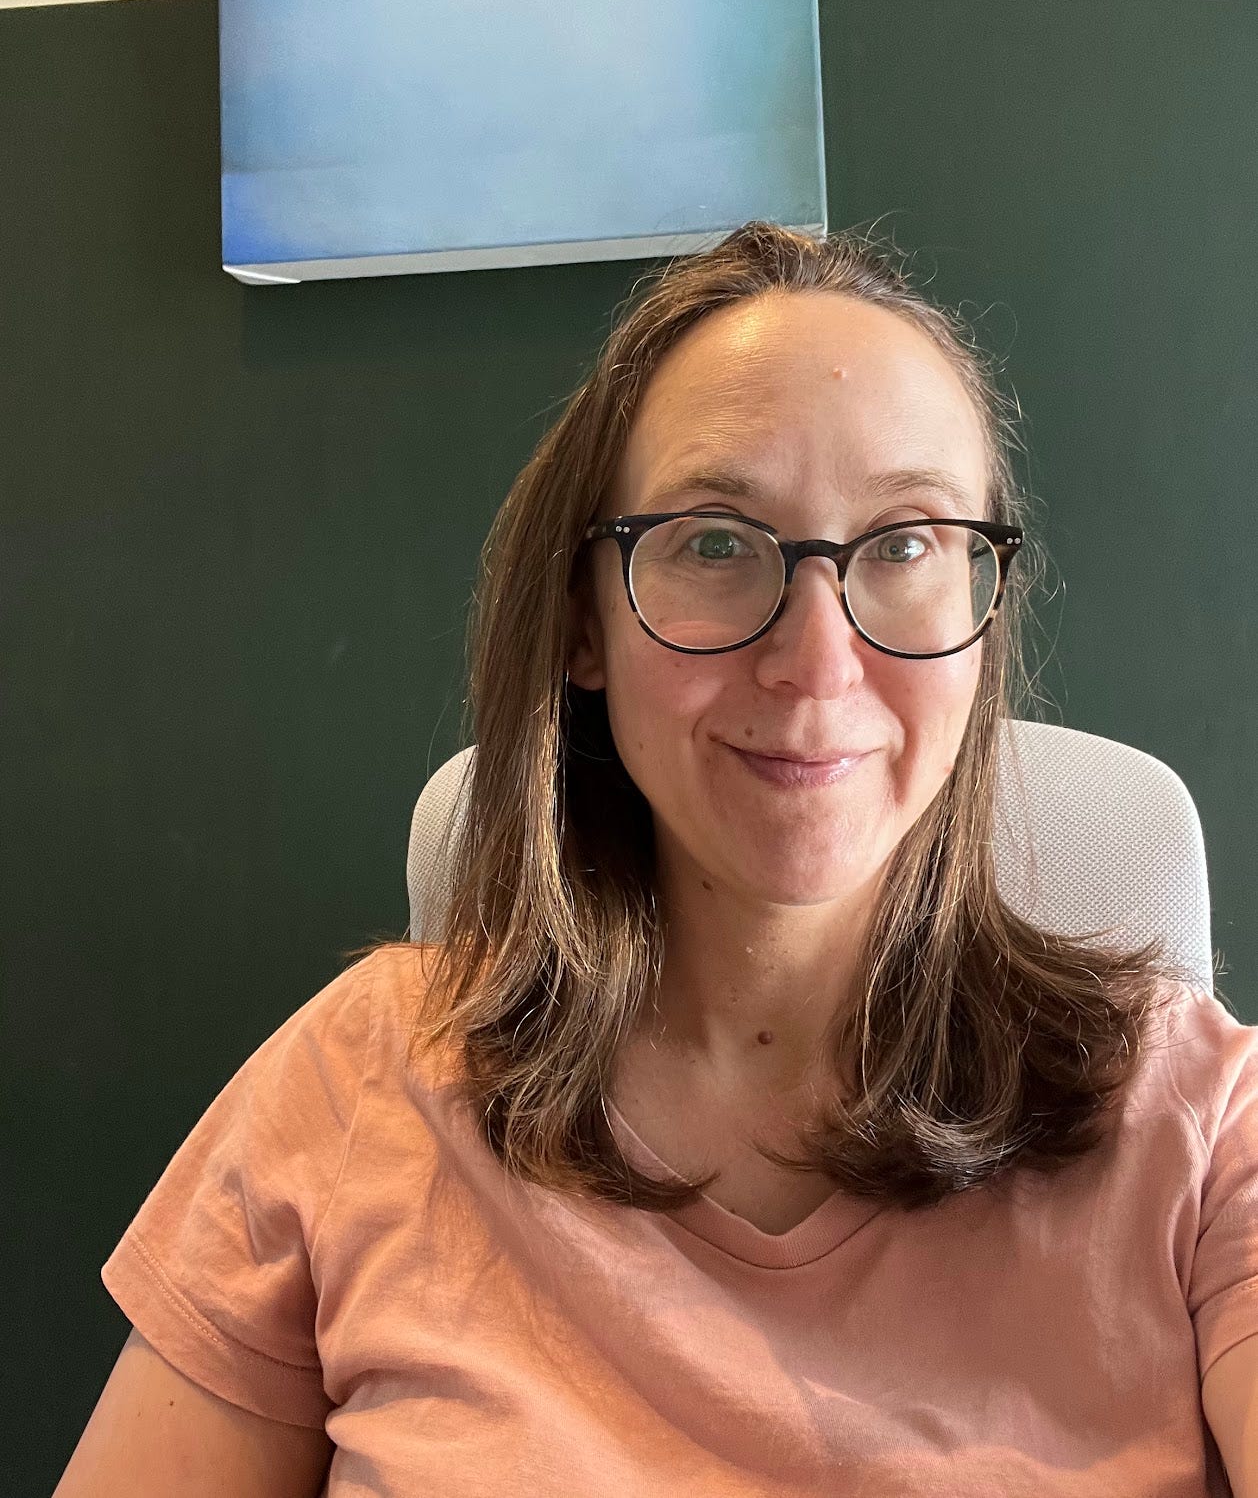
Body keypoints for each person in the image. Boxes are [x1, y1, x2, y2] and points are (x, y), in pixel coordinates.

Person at [56, 222, 1257, 1497]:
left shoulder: (1193, 1126)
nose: (816, 664)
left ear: (978, 607)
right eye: (716, 542)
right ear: (584, 621)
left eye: (905, 542)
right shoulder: (358, 1083)